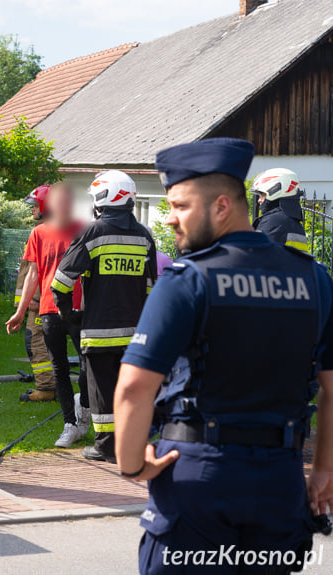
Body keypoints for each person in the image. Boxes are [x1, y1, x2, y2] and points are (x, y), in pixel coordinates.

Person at [114, 138, 333, 574]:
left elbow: (135, 386)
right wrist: (324, 469)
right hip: (280, 483)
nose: (170, 218)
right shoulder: (314, 279)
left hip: (199, 480)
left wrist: (132, 464)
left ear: (220, 207)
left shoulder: (187, 279)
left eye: (179, 206)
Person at [51, 170, 156, 462]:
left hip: (98, 333)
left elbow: (60, 283)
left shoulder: (93, 232)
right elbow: (151, 288)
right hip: (135, 334)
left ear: (102, 198)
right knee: (129, 390)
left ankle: (106, 447)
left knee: (101, 392)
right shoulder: (144, 236)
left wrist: (67, 313)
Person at [7, 182, 90, 448]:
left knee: (89, 367)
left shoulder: (85, 230)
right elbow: (33, 272)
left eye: (67, 201)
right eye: (58, 201)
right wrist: (20, 312)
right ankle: (69, 424)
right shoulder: (39, 233)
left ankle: (85, 408)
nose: (63, 206)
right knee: (59, 369)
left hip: (79, 309)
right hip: (49, 310)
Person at [15, 186, 56, 402]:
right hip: (45, 300)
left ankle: (46, 387)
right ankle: (52, 381)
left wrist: (32, 300)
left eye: (35, 206)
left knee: (35, 340)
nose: (32, 211)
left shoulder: (42, 232)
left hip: (41, 302)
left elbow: (37, 270)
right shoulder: (52, 229)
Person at [251, 167, 309, 252]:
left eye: (262, 194)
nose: (259, 200)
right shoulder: (294, 223)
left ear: (275, 189)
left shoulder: (274, 222)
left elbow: (256, 258)